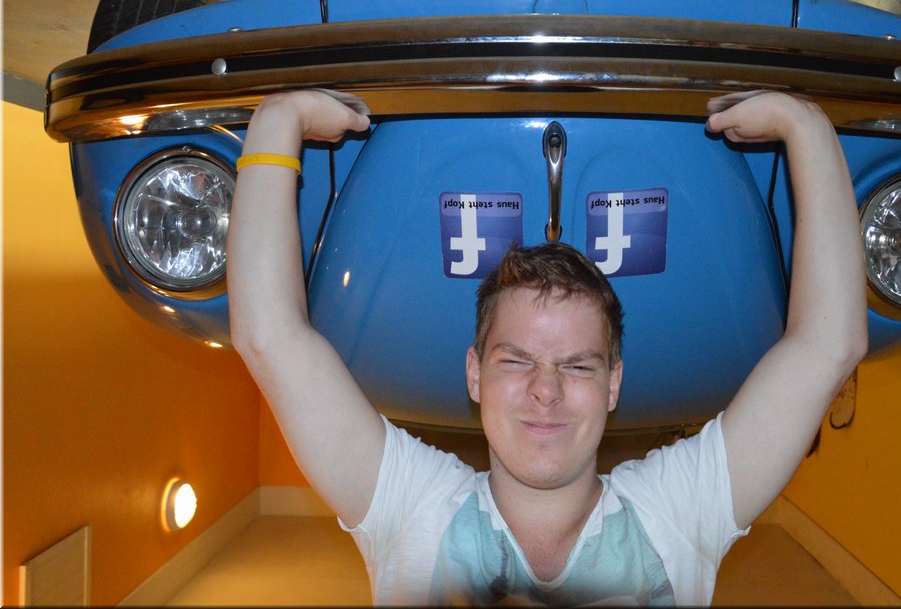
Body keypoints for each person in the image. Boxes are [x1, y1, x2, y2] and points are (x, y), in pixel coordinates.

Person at [227, 89, 867, 605]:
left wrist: (807, 125)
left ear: (614, 383)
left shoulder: (678, 510)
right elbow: (269, 338)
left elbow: (830, 345)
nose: (545, 390)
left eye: (578, 365)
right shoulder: (409, 504)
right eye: (516, 360)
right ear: (474, 373)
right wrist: (278, 121)